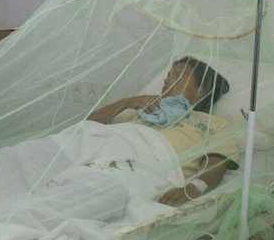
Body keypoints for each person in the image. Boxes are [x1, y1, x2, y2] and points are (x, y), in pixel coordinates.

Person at [88, 56, 240, 206]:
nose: (166, 81)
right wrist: (127, 102)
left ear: (199, 91)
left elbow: (217, 164)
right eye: (168, 76)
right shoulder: (139, 111)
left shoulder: (215, 124)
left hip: (144, 174)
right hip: (99, 165)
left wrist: (194, 188)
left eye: (178, 75)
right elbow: (86, 127)